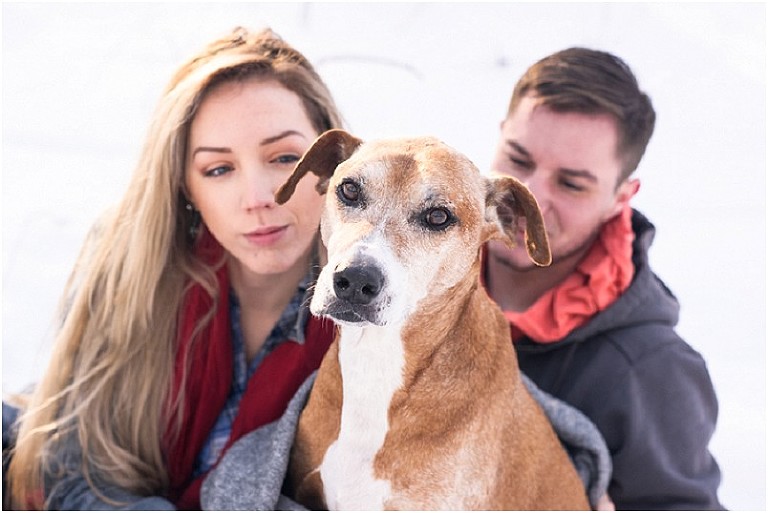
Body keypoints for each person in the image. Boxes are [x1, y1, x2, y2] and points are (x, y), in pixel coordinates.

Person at [4, 26, 344, 510]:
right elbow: (68, 470)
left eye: (285, 157)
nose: (258, 198)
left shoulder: (381, 310)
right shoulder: (135, 269)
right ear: (185, 185)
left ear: (332, 160)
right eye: (218, 169)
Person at [483, 47, 723, 509]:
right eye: (517, 159)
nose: (529, 198)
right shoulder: (402, 277)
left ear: (621, 196)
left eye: (571, 184)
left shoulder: (650, 370)